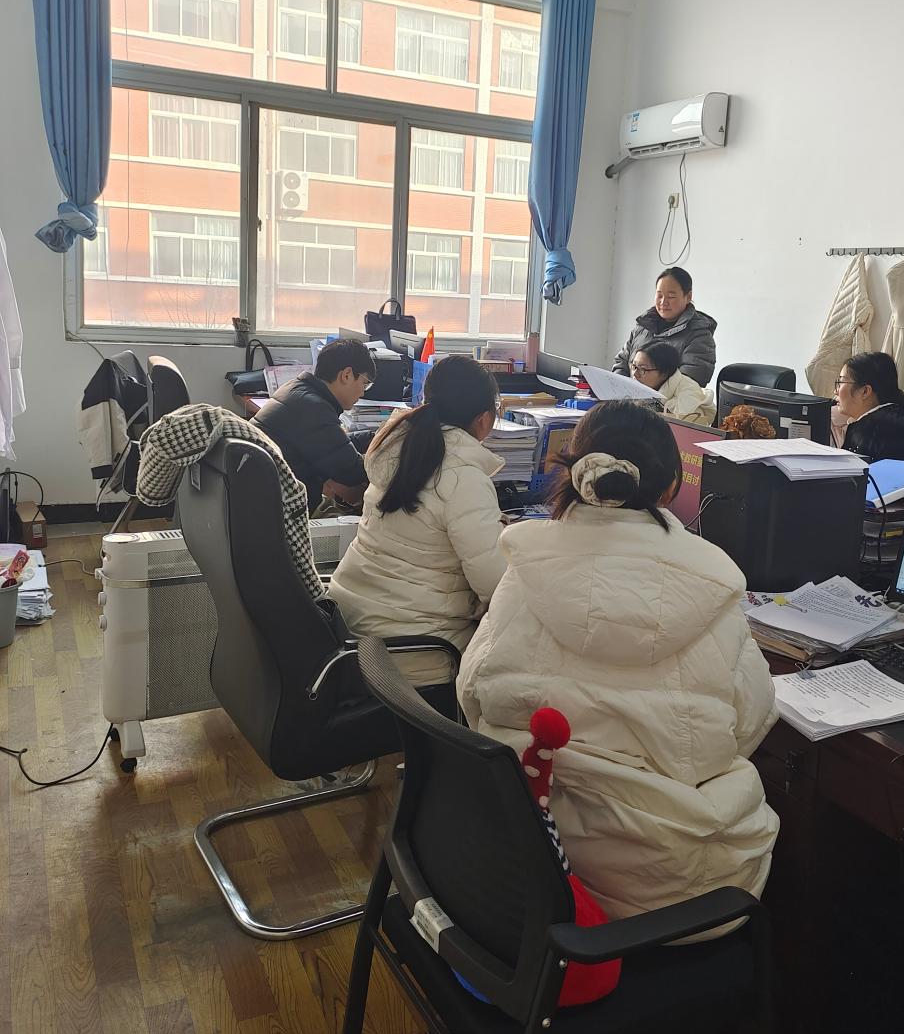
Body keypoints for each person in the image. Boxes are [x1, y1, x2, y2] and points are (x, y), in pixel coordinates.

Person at [457, 400, 779, 928]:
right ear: (671, 488)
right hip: (671, 893)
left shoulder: (526, 566)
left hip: (527, 866)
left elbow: (472, 692)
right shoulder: (713, 585)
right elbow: (750, 724)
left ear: (576, 472)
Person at [329, 354, 506, 685]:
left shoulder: (400, 448)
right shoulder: (465, 478)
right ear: (484, 419)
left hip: (352, 628)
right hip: (415, 651)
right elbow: (498, 586)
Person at [253, 338, 376, 511]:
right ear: (347, 375)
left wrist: (373, 437)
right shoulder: (314, 408)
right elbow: (351, 472)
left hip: (265, 498)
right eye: (364, 383)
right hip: (284, 511)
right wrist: (389, 455)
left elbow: (333, 445)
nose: (363, 392)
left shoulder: (297, 390)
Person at [612, 267, 717, 386]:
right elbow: (621, 362)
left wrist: (642, 395)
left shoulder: (699, 335)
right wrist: (620, 389)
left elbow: (687, 384)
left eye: (671, 296)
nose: (663, 302)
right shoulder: (643, 327)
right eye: (659, 295)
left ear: (688, 297)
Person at [630, 341, 716, 425]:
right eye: (634, 366)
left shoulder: (689, 394)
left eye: (642, 369)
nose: (635, 374)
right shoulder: (642, 388)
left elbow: (678, 428)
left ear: (664, 373)